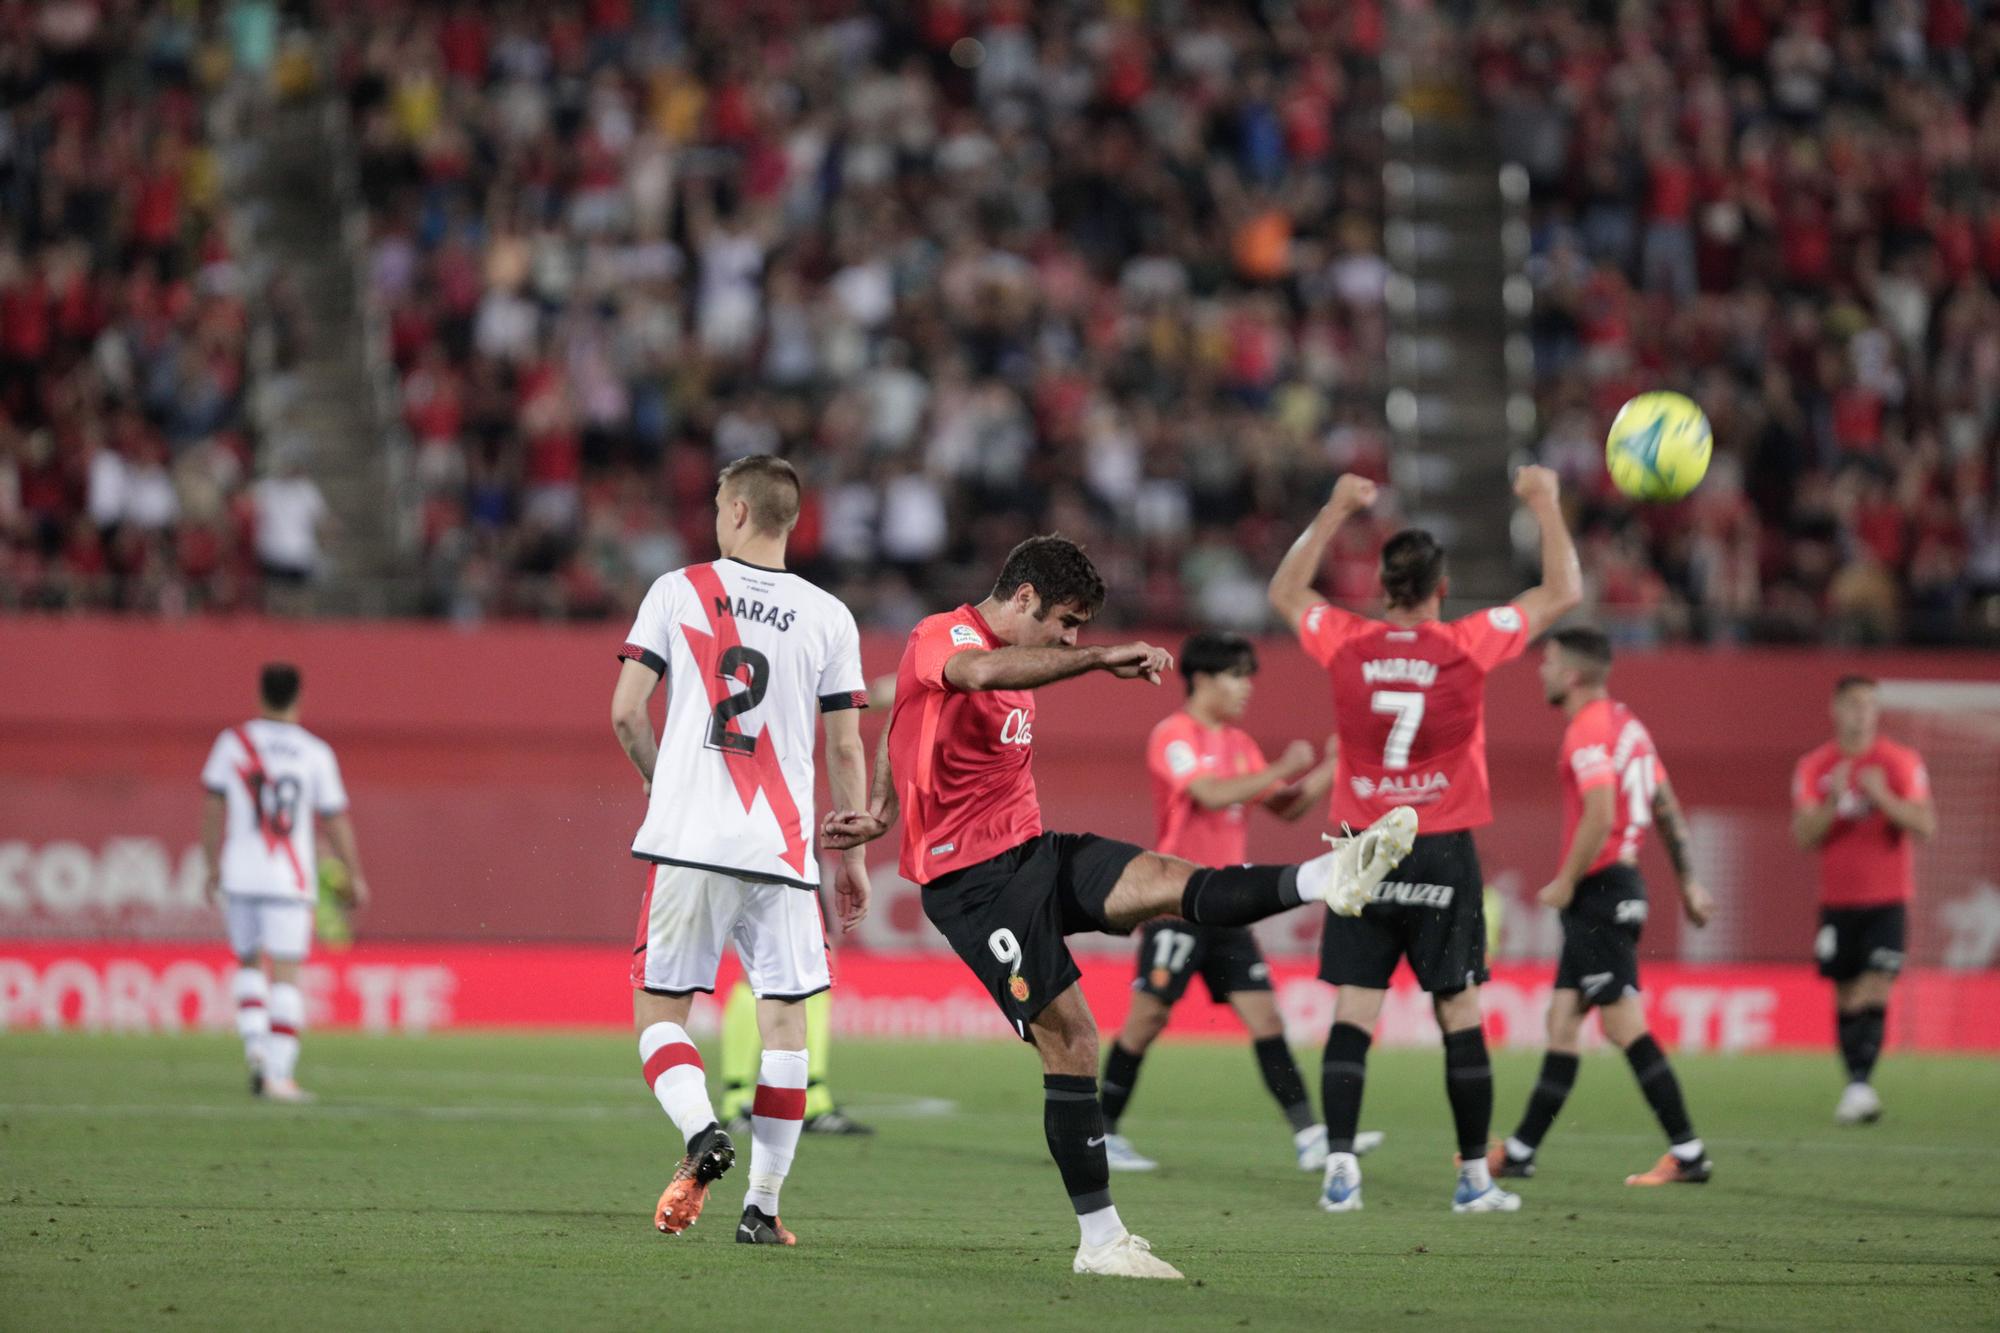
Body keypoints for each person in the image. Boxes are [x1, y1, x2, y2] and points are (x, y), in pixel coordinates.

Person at [822, 535, 1418, 1280]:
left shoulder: (1008, 661)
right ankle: (1100, 1239)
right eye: (1065, 622)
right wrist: (1098, 657)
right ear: (1026, 598)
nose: (1070, 637)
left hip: (1032, 851)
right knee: (1072, 1039)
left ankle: (1325, 877)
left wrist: (881, 805)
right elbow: (969, 674)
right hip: (971, 883)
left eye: (1080, 630)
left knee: (1170, 879)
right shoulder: (947, 635)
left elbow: (904, 723)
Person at [1266, 467, 1581, 1215]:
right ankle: (1474, 1178)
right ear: (1441, 589)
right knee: (1459, 1014)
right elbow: (1562, 592)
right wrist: (1545, 504)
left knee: (1354, 1012)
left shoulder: (1346, 639)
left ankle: (1340, 1167)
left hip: (1362, 849)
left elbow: (1285, 592)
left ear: (1382, 588)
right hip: (1440, 844)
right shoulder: (1466, 642)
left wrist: (1336, 506)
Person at [609, 455, 873, 1245]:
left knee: (662, 1011)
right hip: (784, 851)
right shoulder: (830, 614)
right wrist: (852, 855)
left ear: (733, 510)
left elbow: (626, 713)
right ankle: (762, 1207)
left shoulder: (676, 589)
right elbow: (847, 748)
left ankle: (699, 1132)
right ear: (790, 520)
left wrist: (667, 788)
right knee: (786, 1026)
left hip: (691, 841)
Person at [1101, 631, 1375, 1174]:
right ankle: (1102, 1132)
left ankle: (1311, 1136)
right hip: (1175, 899)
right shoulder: (1173, 735)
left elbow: (1287, 808)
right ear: (1203, 678)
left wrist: (1331, 768)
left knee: (1266, 1019)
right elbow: (1207, 793)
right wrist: (1279, 768)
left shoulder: (1240, 744)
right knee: (1146, 1021)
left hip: (1228, 906)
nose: (1246, 688)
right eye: (1236, 675)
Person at [1488, 627, 1715, 1185]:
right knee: (1562, 1021)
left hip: (1601, 891)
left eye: (1549, 663)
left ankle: (1688, 1152)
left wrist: (1566, 881)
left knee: (1622, 1025)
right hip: (1619, 885)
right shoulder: (1627, 725)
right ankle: (1520, 1151)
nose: (1541, 671)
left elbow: (1601, 813)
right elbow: (1664, 804)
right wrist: (1689, 882)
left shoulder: (1585, 730)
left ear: (1572, 674)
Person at [200, 662, 369, 1103]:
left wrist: (210, 864)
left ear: (260, 695)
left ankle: (255, 1048)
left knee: (249, 964)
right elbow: (334, 819)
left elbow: (214, 806)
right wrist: (354, 873)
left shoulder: (232, 743)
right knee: (287, 977)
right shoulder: (314, 752)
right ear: (299, 697)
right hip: (289, 879)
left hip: (240, 872)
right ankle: (280, 1075)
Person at [1791, 675, 1936, 1124]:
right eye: (1854, 703)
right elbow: (1802, 836)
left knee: (1878, 982)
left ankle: (1859, 1085)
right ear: (1835, 708)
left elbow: (1926, 825)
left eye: (1870, 705)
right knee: (1848, 993)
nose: (1862, 713)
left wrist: (1882, 795)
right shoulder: (1815, 767)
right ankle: (1856, 1084)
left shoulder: (1899, 762)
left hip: (1888, 897)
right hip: (1838, 900)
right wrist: (1834, 801)